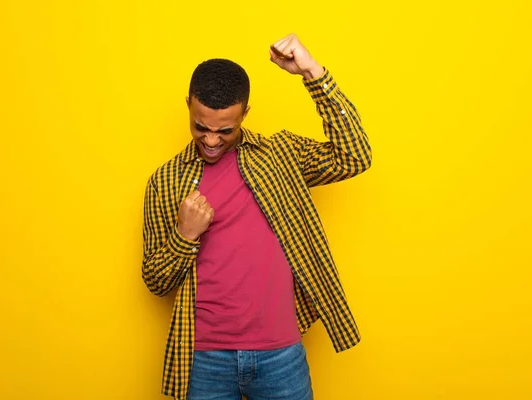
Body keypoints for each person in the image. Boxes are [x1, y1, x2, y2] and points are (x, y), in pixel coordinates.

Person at [142, 33, 372, 400]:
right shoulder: (166, 181)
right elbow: (155, 281)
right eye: (201, 127)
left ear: (245, 114)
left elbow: (353, 156)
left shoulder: (280, 155)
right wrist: (184, 237)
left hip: (281, 354)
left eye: (225, 130)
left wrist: (313, 74)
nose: (212, 140)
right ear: (188, 106)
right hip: (204, 358)